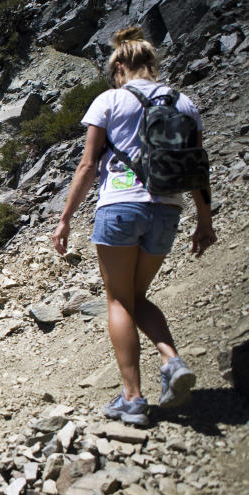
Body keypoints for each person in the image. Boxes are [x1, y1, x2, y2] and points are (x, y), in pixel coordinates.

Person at [52, 27, 216, 426]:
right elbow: (197, 166)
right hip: (167, 210)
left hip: (119, 208)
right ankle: (172, 361)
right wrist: (204, 220)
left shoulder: (109, 101)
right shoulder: (185, 103)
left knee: (119, 301)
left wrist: (65, 217)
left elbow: (88, 165)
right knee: (137, 296)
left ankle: (133, 399)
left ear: (120, 65)